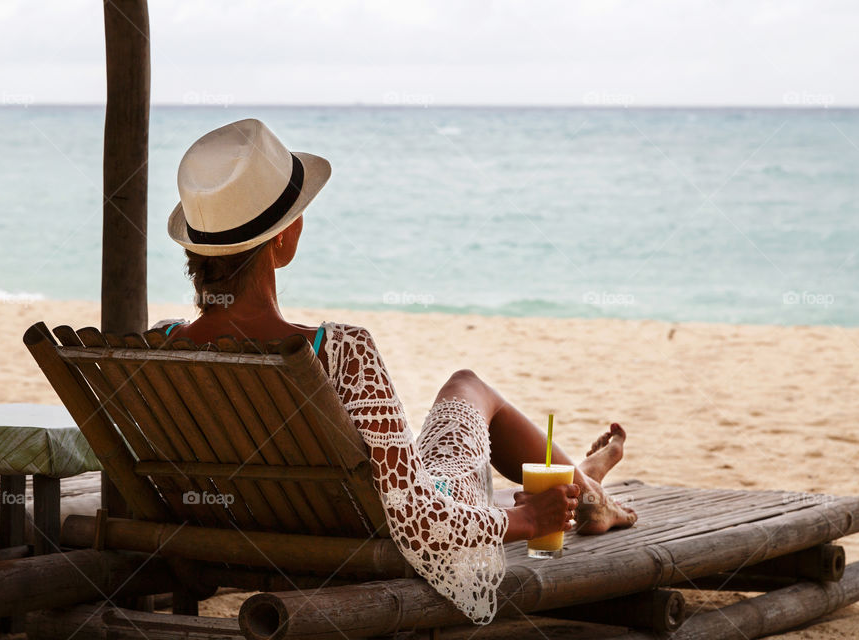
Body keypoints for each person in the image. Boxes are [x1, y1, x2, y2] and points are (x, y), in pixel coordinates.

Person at [160, 119, 636, 624]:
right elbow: (417, 521)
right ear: (283, 239)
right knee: (467, 386)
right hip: (365, 538)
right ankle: (588, 496)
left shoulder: (163, 348)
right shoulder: (337, 349)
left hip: (241, 529)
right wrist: (525, 519)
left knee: (450, 416)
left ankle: (582, 482)